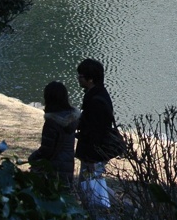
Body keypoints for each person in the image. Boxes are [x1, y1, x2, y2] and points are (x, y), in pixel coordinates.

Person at [76, 58, 115, 208]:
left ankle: (102, 211)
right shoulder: (97, 95)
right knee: (93, 183)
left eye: (80, 76)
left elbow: (96, 132)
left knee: (88, 186)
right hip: (94, 152)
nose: (78, 79)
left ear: (90, 79)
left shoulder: (95, 100)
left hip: (93, 154)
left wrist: (91, 159)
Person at [28, 81, 80, 186]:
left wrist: (33, 158)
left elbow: (46, 150)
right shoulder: (73, 119)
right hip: (67, 166)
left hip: (53, 169)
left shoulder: (52, 123)